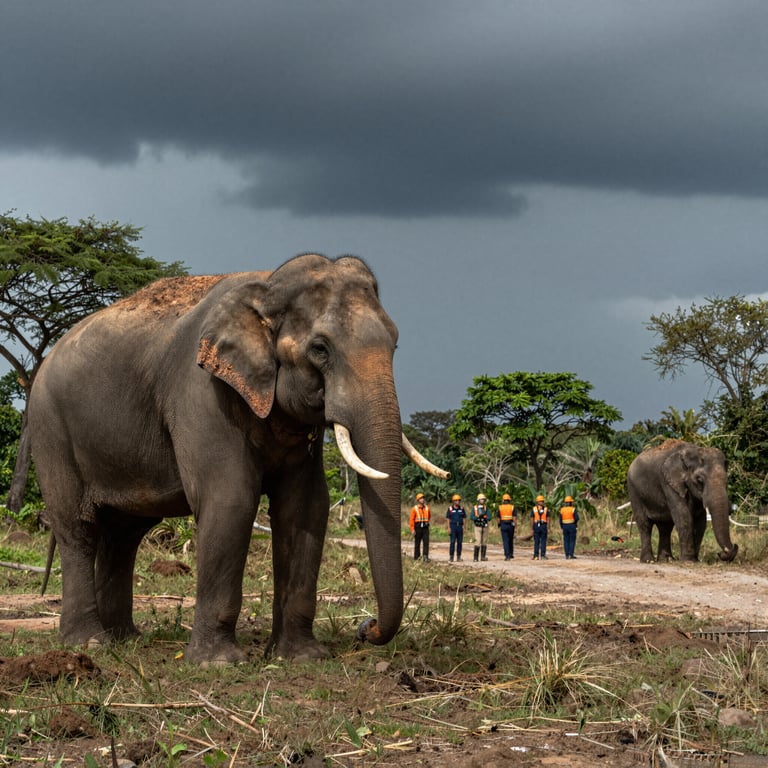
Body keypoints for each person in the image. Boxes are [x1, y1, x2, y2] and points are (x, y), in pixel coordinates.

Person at [409, 492, 431, 562]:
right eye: (421, 498)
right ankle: (416, 557)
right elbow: (411, 519)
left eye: (423, 498)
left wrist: (426, 522)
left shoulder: (427, 508)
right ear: (418, 500)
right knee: (417, 543)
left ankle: (425, 557)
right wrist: (412, 529)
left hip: (425, 527)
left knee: (426, 542)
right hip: (417, 527)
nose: (422, 499)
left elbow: (429, 516)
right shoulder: (414, 509)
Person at [445, 494, 466, 561]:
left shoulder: (462, 509)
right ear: (453, 501)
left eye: (459, 500)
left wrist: (464, 527)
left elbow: (464, 518)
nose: (458, 502)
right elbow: (448, 518)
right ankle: (451, 557)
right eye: (456, 500)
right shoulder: (450, 509)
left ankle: (458, 557)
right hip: (453, 526)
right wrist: (448, 528)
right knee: (452, 542)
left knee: (460, 542)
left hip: (460, 526)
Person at [497, 493, 517, 560]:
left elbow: (498, 518)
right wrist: (515, 526)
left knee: (505, 540)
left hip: (503, 524)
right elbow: (514, 517)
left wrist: (499, 524)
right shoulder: (512, 507)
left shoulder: (500, 507)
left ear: (503, 500)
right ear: (509, 500)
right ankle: (511, 553)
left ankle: (507, 555)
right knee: (510, 539)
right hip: (511, 524)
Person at [559, 495, 579, 559]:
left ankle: (566, 555)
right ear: (570, 502)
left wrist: (562, 526)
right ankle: (571, 554)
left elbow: (560, 519)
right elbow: (577, 518)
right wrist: (575, 524)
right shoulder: (573, 509)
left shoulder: (562, 510)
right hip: (572, 526)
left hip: (564, 526)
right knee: (572, 540)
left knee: (566, 540)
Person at [471, 493, 490, 561]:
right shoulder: (475, 508)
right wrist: (478, 517)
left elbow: (489, 517)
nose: (483, 500)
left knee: (484, 541)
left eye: (483, 499)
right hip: (477, 526)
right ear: (478, 500)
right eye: (481, 499)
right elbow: (472, 517)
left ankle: (483, 557)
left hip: (485, 526)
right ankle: (475, 558)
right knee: (478, 541)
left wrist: (485, 517)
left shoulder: (486, 508)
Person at [531, 494, 549, 560]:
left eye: (542, 501)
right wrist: (532, 528)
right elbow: (532, 519)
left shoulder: (546, 509)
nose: (542, 502)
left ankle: (541, 555)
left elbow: (548, 519)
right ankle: (536, 555)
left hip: (543, 525)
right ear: (538, 502)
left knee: (542, 541)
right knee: (537, 541)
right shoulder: (534, 509)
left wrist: (548, 527)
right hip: (537, 525)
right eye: (541, 501)